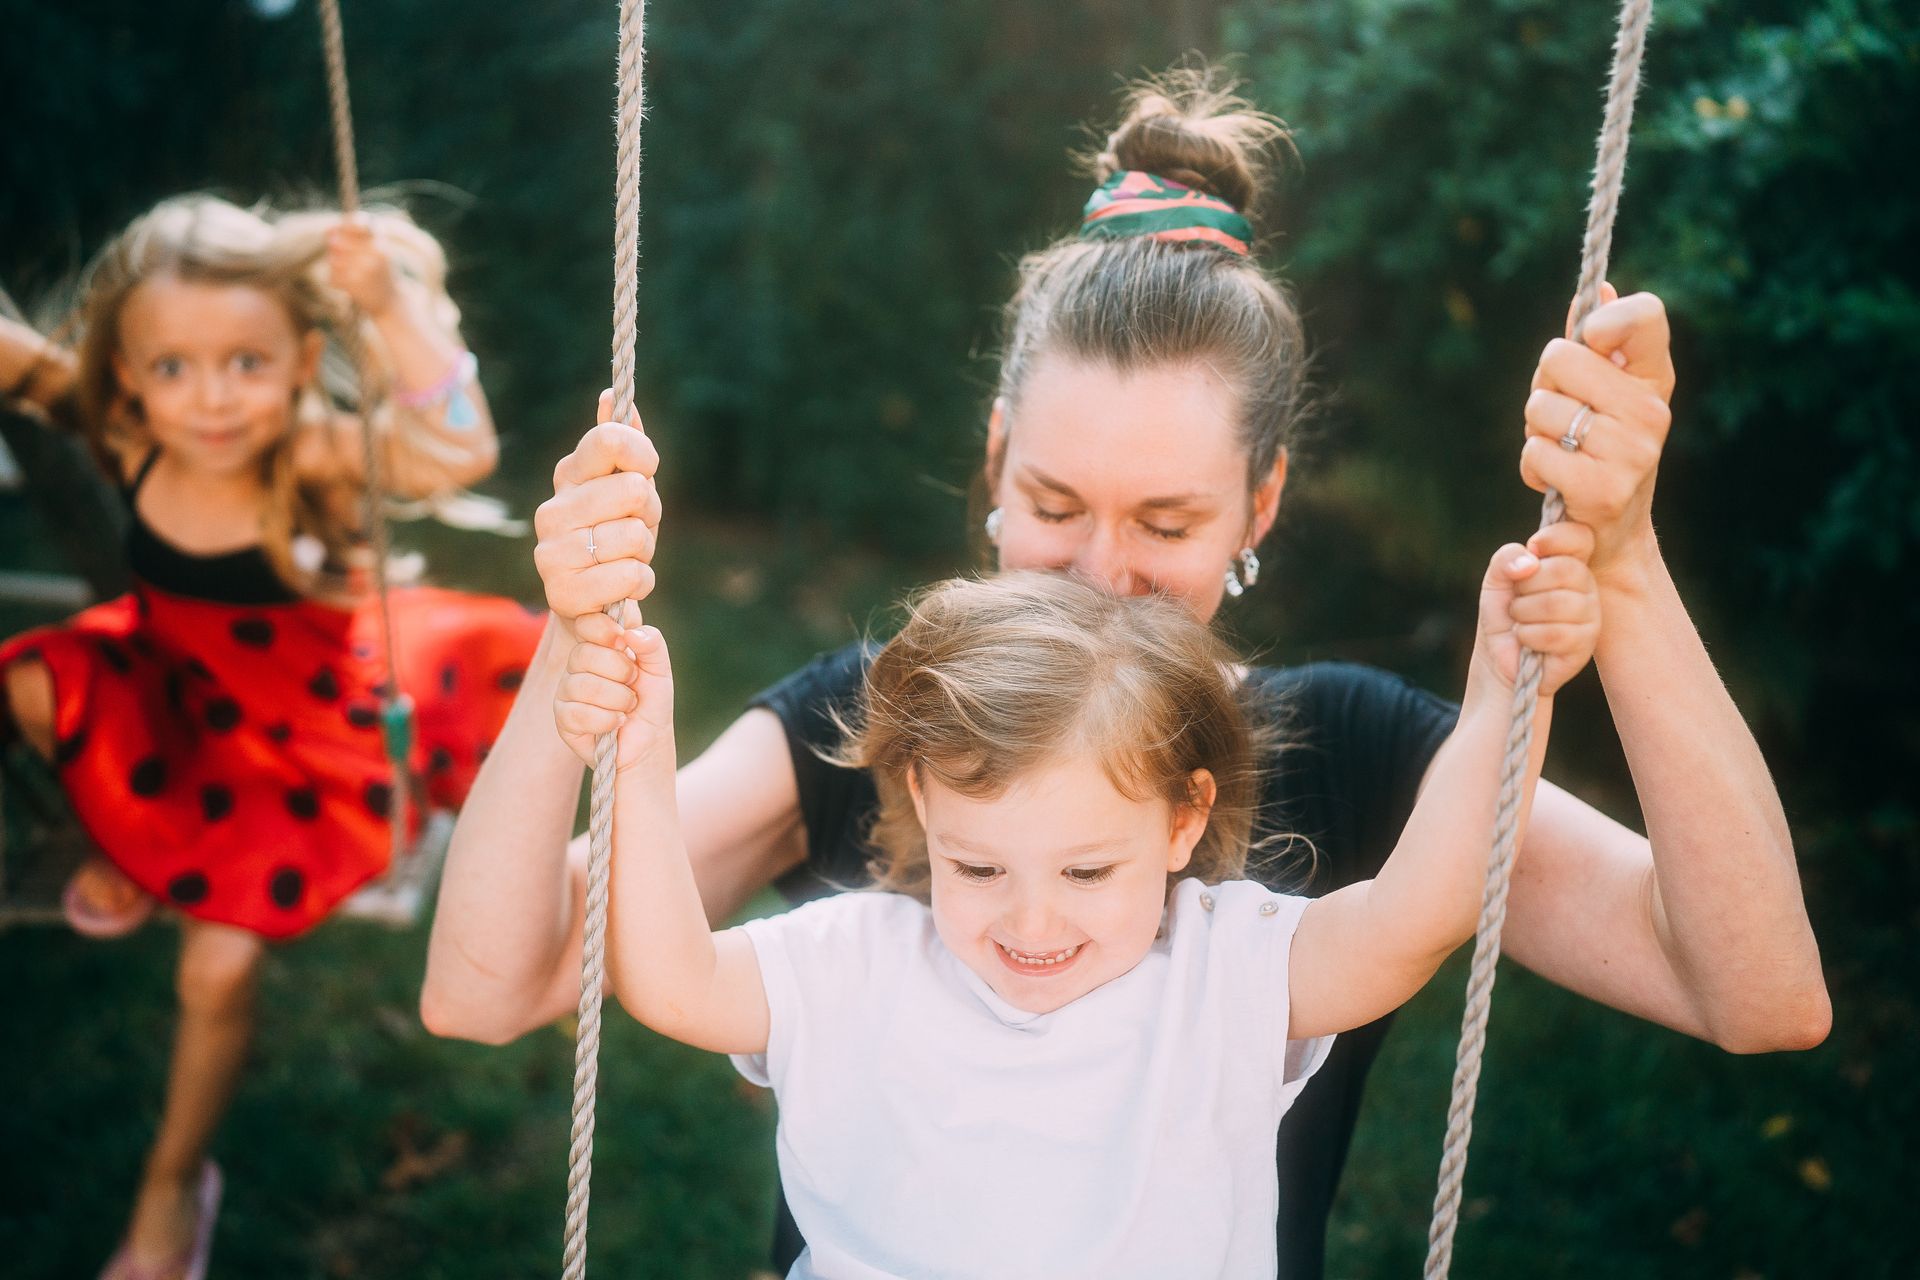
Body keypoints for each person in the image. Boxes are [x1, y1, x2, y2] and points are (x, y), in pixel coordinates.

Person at [421, 72, 1829, 1276]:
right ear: (991, 461)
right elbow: (491, 991)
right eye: (1053, 502)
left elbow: (1759, 994)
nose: (1100, 573)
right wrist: (573, 646)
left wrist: (1623, 566)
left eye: (1166, 524)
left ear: (1259, 505)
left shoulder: (1350, 748)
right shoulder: (876, 722)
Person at [562, 555, 1596, 1278]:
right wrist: (643, 761)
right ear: (923, 797)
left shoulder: (1224, 969)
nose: (1031, 915)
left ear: (1185, 818)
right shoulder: (856, 960)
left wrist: (1506, 694)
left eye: (1089, 869)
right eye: (978, 864)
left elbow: (1410, 921)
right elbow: (670, 980)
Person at [0, 194, 543, 1279]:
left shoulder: (317, 457)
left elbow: (459, 445)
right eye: (175, 369)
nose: (210, 400)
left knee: (217, 966)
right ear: (126, 377)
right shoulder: (120, 433)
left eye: (246, 361)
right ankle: (131, 835)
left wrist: (389, 307)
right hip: (177, 702)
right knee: (33, 681)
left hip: (299, 737)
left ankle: (171, 1183)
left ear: (301, 357)